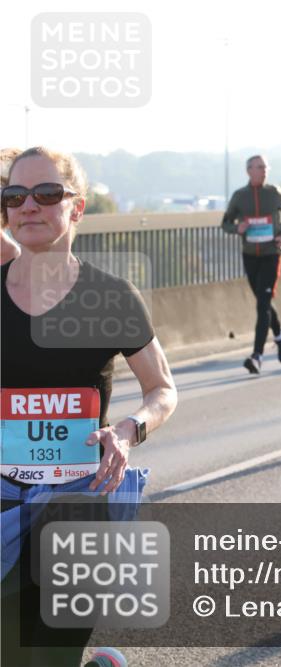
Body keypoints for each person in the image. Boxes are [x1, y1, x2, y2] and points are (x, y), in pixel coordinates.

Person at [1, 147, 177, 666]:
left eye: (48, 193)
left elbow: (162, 389)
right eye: (15, 196)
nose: (30, 206)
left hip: (80, 499)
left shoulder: (111, 297)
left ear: (76, 209)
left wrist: (127, 430)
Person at [221, 155, 281, 374]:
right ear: (249, 171)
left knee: (262, 304)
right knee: (263, 301)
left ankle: (257, 356)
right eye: (260, 167)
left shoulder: (274, 193)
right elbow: (225, 223)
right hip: (249, 255)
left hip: (271, 254)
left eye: (265, 167)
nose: (264, 171)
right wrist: (238, 228)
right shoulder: (240, 196)